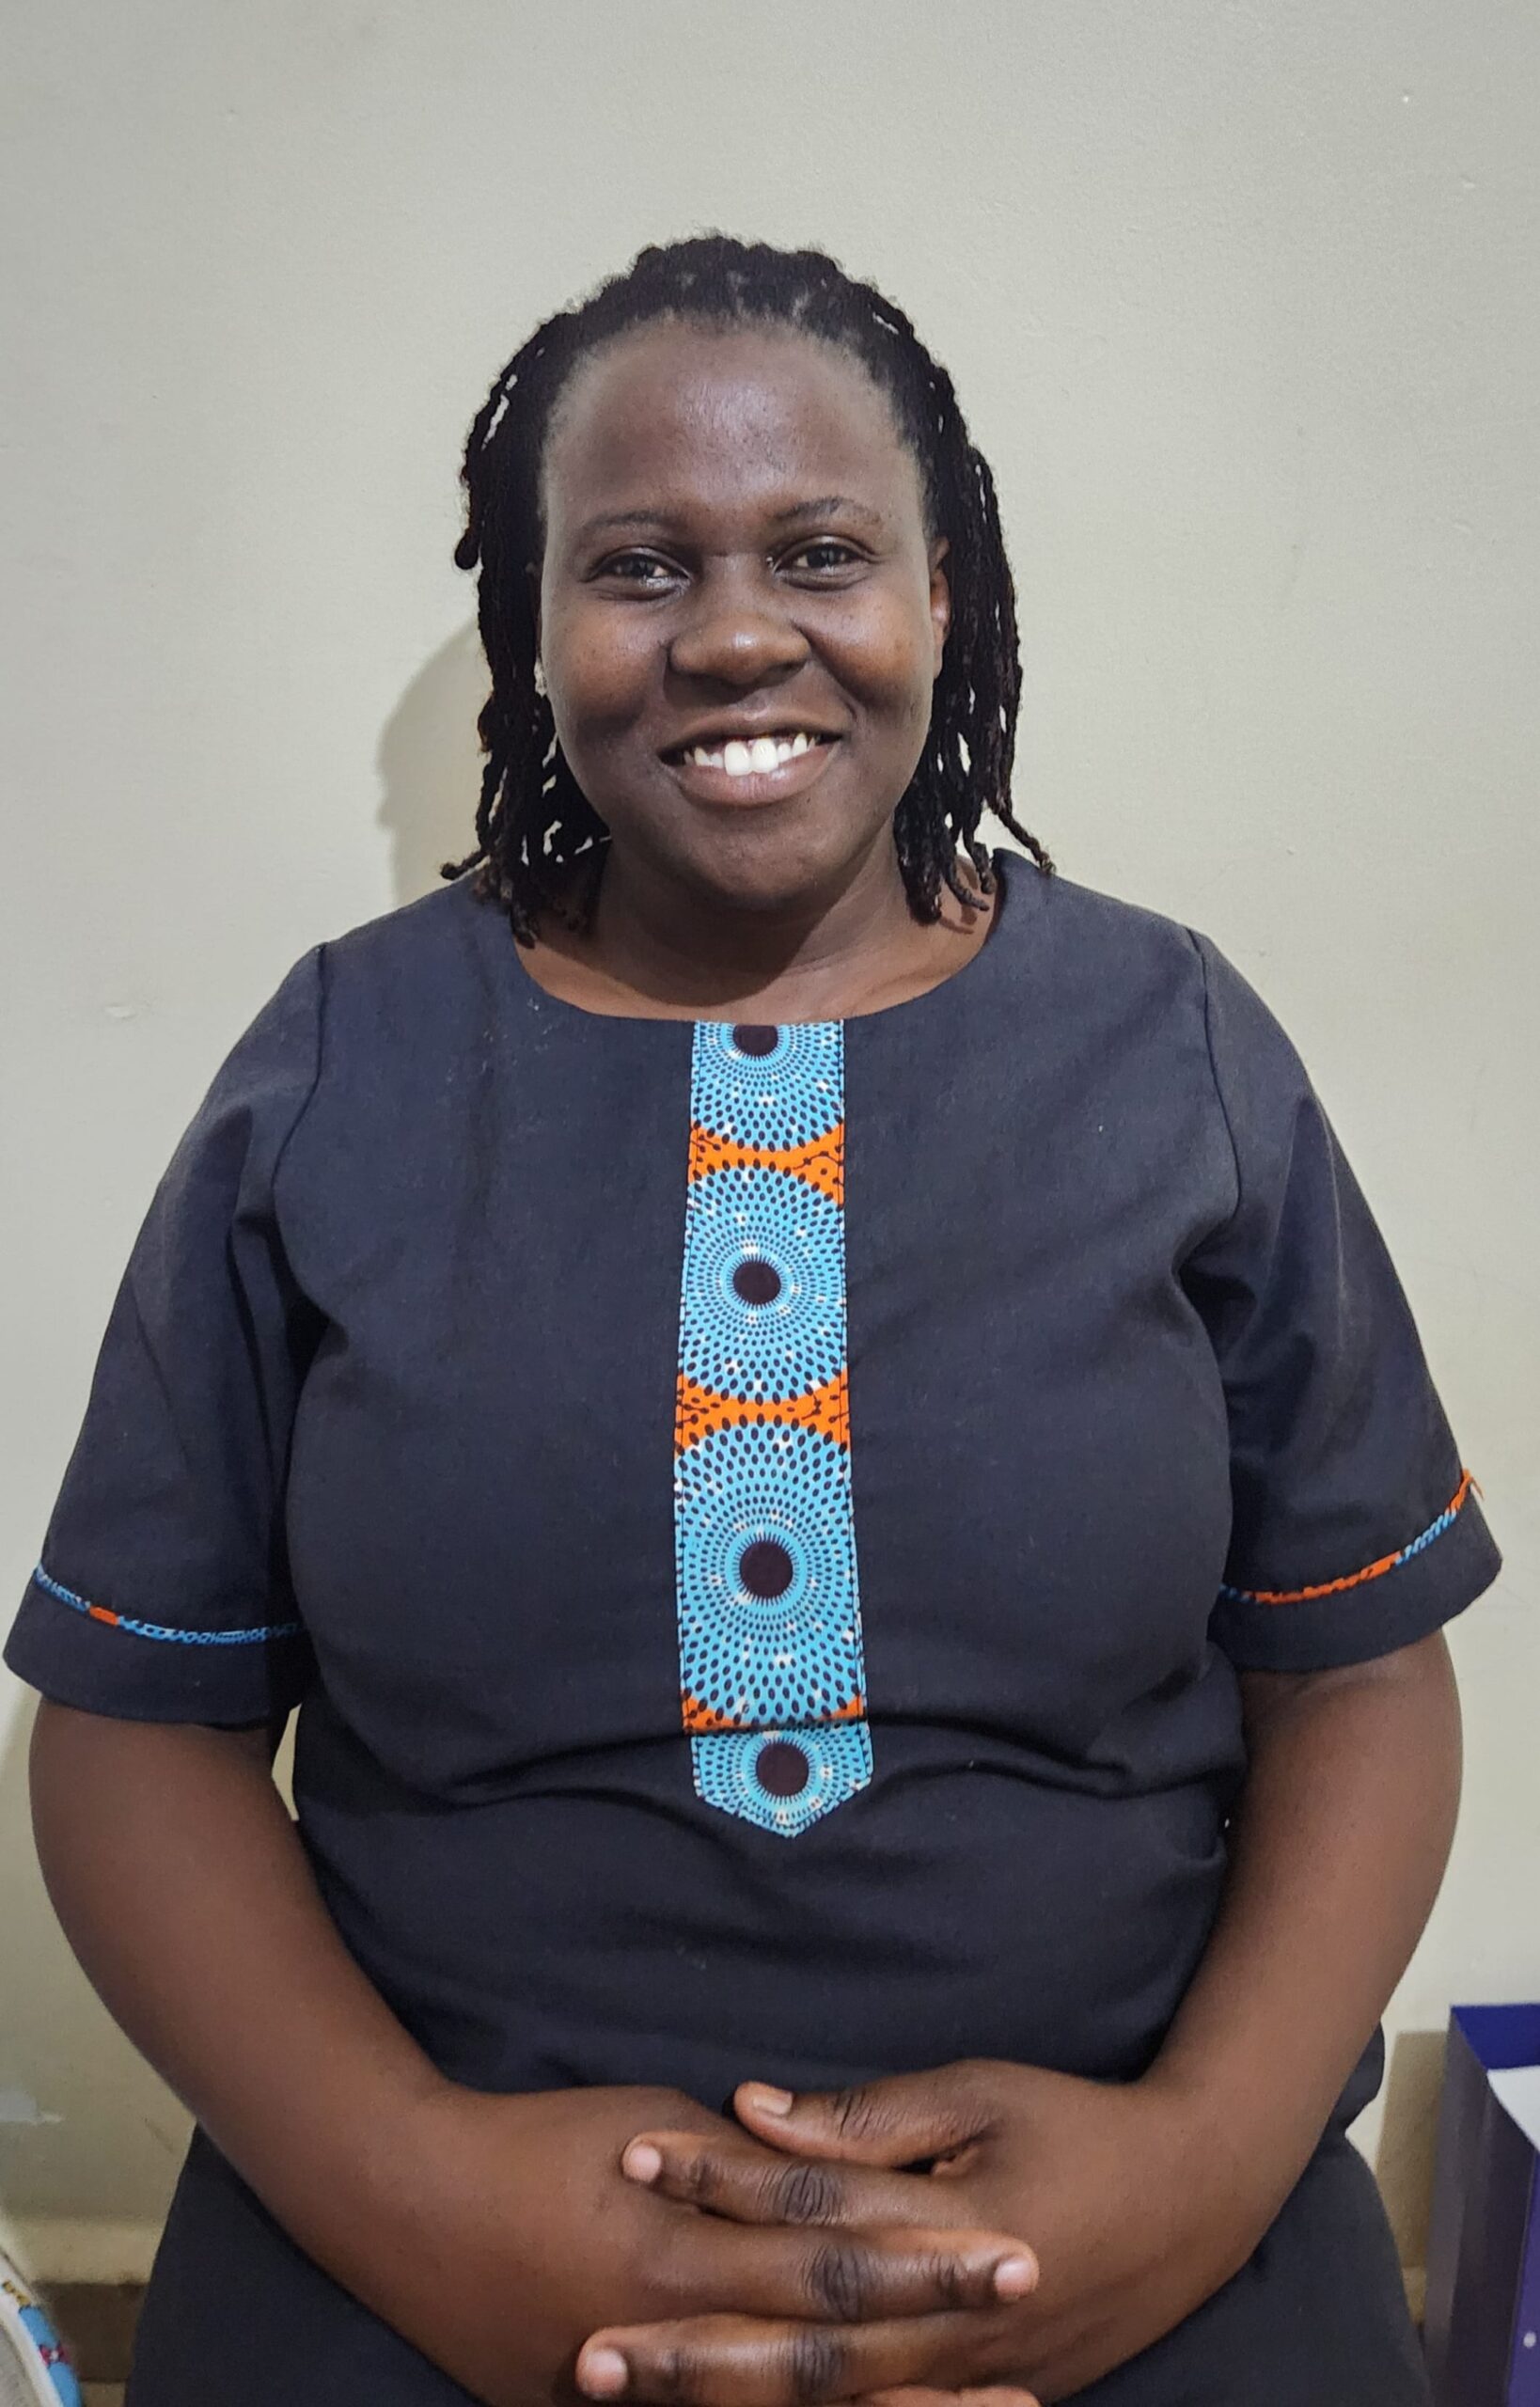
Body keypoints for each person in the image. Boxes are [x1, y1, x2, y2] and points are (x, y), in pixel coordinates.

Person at [6, 236, 1501, 2406]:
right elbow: (136, 1728)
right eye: (638, 565)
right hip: (429, 2239)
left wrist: (1189, 2169)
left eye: (820, 552)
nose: (731, 633)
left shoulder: (1169, 1042)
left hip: (1133, 2221)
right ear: (535, 631)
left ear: (940, 598)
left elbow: (1358, 1662)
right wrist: (426, 2195)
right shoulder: (342, 1065)